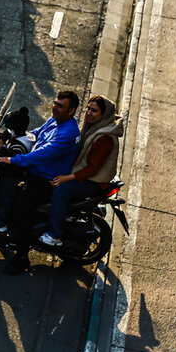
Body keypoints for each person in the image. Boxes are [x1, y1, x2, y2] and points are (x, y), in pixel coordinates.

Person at [0, 91, 82, 269]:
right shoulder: (55, 120)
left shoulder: (68, 133)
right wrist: (15, 136)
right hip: (35, 170)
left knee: (21, 209)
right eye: (55, 103)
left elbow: (41, 154)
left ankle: (22, 256)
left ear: (71, 111)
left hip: (45, 179)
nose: (55, 107)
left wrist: (12, 159)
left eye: (60, 106)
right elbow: (36, 134)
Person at [40, 95, 123, 247]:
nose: (89, 113)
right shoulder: (90, 127)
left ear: (103, 115)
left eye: (94, 111)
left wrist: (66, 178)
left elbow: (92, 168)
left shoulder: (104, 137)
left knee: (61, 191)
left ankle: (54, 235)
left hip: (94, 181)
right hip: (83, 174)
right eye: (88, 109)